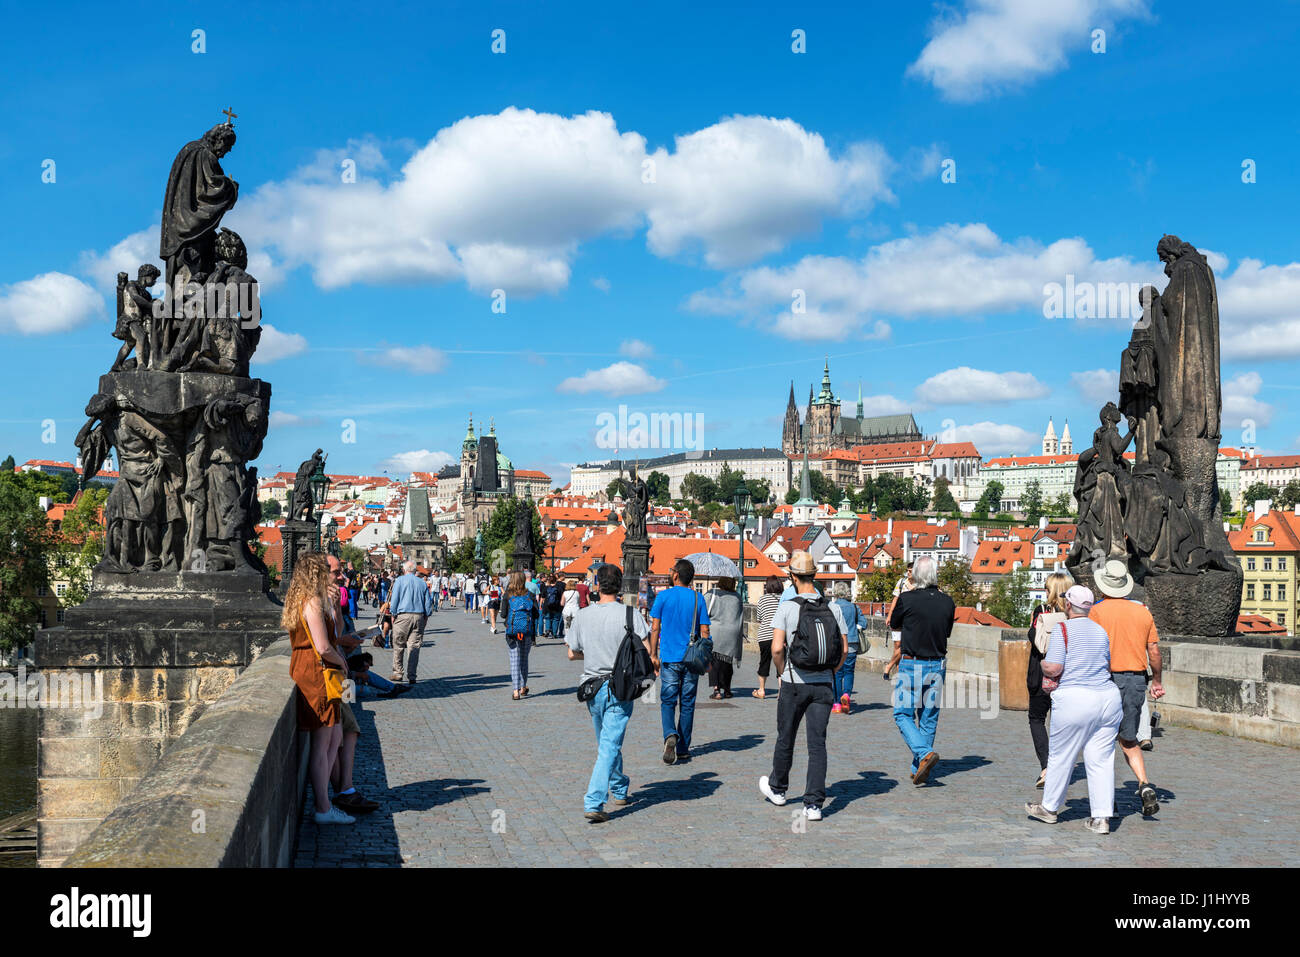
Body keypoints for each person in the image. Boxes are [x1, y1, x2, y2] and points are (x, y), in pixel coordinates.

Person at [1026, 585, 1124, 835]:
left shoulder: (1063, 629)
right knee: (1101, 760)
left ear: (1068, 605)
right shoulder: (1101, 631)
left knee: (1061, 755)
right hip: (1107, 699)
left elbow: (1055, 667)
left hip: (1077, 699)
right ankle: (1101, 818)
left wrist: (1046, 665)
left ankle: (1049, 808)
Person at [758, 550, 846, 821]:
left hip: (794, 682)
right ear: (815, 575)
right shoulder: (834, 607)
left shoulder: (788, 607)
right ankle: (813, 805)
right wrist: (831, 670)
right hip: (823, 686)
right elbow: (844, 649)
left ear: (793, 577)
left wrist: (783, 673)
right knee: (817, 744)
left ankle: (778, 789)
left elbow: (775, 649)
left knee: (786, 736)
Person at [566, 563, 651, 823]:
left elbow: (571, 653)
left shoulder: (582, 615)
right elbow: (645, 650)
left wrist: (590, 654)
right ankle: (594, 801)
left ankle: (619, 787)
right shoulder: (630, 614)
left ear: (597, 585)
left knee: (607, 743)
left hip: (592, 687)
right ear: (620, 586)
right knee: (609, 745)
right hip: (620, 687)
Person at [1089, 559, 1164, 817]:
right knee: (1129, 740)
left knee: (1103, 741)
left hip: (1106, 680)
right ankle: (1144, 785)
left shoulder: (1097, 612)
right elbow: (1154, 651)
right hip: (1136, 680)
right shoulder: (1142, 611)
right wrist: (1157, 681)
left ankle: (1107, 797)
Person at [283, 553, 354, 825]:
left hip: (316, 670)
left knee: (333, 738)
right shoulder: (311, 601)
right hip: (317, 673)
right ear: (315, 573)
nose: (331, 575)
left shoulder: (305, 599)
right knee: (322, 744)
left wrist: (335, 608)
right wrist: (342, 663)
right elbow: (324, 647)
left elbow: (334, 635)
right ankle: (323, 807)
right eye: (325, 571)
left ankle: (325, 803)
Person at [888, 555, 954, 785]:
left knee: (902, 713)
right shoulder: (948, 601)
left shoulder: (907, 598)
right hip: (937, 664)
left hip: (912, 662)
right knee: (928, 717)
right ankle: (919, 767)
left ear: (915, 575)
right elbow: (946, 632)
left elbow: (894, 623)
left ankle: (924, 754)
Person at [326, 555, 381, 815]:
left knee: (349, 729)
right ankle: (344, 791)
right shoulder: (317, 602)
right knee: (344, 730)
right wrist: (346, 643)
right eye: (336, 572)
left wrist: (339, 613)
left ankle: (345, 789)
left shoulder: (334, 598)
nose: (342, 578)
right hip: (334, 674)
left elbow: (338, 633)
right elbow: (330, 641)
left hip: (342, 671)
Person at [649, 558, 711, 764]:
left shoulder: (663, 596)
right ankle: (683, 747)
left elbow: (655, 627)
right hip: (691, 658)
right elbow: (704, 631)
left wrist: (653, 654)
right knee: (687, 703)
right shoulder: (697, 598)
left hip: (669, 656)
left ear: (675, 575)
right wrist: (706, 657)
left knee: (668, 700)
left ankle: (669, 734)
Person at [1027, 571, 1071, 787]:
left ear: (1050, 591)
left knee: (1036, 719)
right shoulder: (1075, 616)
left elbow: (1034, 638)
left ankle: (1046, 767)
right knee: (1061, 723)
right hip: (1067, 676)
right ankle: (1060, 766)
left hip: (1041, 675)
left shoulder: (1041, 611)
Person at [388, 559, 431, 684]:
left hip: (402, 616)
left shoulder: (399, 581)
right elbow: (427, 603)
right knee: (414, 647)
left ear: (404, 570)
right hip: (418, 616)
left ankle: (398, 673)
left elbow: (394, 599)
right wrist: (426, 616)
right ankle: (412, 675)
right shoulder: (422, 583)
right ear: (414, 570)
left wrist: (393, 613)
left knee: (399, 645)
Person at [501, 570, 538, 699]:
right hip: (526, 631)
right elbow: (536, 614)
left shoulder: (508, 594)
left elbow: (503, 614)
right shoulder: (530, 595)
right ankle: (523, 687)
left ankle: (515, 691)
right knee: (524, 660)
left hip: (511, 632)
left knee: (514, 660)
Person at [705, 577, 743, 699]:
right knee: (727, 662)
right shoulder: (737, 597)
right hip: (732, 632)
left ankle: (716, 690)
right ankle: (727, 689)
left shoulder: (712, 594)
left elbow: (704, 611)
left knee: (714, 661)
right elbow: (741, 616)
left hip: (716, 632)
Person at [830, 580, 862, 714]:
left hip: (837, 645)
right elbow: (863, 623)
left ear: (836, 592)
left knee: (837, 673)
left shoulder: (832, 606)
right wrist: (855, 629)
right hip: (852, 644)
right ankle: (847, 695)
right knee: (849, 672)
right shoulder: (854, 607)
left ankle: (837, 703)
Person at [883, 562, 914, 681]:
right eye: (908, 571)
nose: (908, 573)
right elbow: (895, 599)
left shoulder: (920, 584)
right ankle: (898, 672)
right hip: (898, 616)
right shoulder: (902, 582)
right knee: (897, 645)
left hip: (910, 618)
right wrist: (889, 615)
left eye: (910, 571)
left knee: (904, 645)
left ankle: (888, 666)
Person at [753, 576, 782, 699]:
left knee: (764, 662)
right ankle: (781, 692)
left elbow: (759, 619)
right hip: (780, 636)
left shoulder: (762, 599)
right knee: (781, 665)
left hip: (764, 636)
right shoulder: (783, 599)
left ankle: (761, 690)